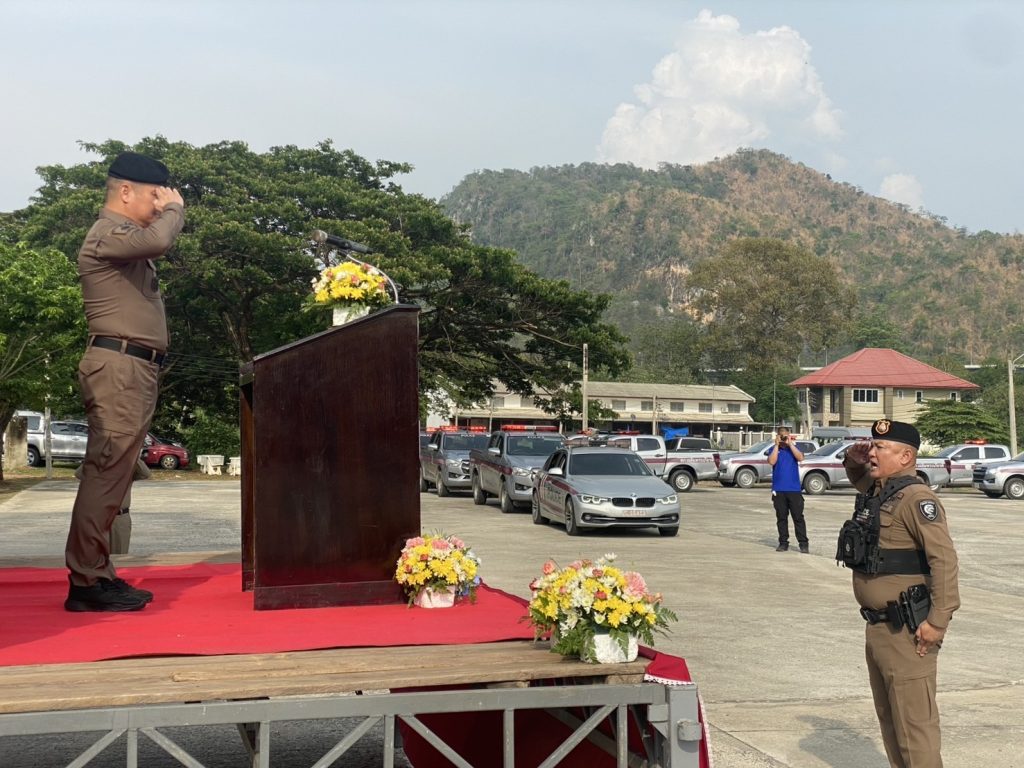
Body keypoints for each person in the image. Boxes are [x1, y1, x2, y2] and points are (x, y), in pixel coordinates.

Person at [64, 151, 185, 612]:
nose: (160, 206)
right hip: (118, 368)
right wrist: (176, 209)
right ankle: (87, 582)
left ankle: (98, 573)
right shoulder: (106, 234)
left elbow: (152, 240)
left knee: (115, 476)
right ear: (126, 191)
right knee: (106, 473)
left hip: (132, 368)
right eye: (155, 197)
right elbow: (159, 240)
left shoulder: (126, 240)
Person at [840, 419, 960, 768]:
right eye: (873, 446)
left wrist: (937, 622)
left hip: (908, 631)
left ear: (906, 456)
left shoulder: (917, 498)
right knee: (891, 723)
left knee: (915, 729)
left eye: (881, 448)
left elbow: (944, 560)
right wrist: (853, 458)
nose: (873, 453)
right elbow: (859, 478)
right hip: (878, 628)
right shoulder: (883, 491)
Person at [74, 458, 151, 554]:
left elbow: (145, 474)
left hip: (120, 518)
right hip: (99, 518)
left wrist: (133, 454)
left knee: (119, 555)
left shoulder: (127, 469)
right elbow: (79, 474)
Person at [767, 426, 808, 553]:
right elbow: (772, 461)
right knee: (781, 518)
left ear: (789, 435)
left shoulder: (793, 448)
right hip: (779, 490)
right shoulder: (773, 449)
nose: (783, 438)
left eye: (785, 435)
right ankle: (783, 543)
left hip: (794, 490)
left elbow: (800, 458)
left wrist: (790, 444)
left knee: (798, 517)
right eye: (781, 436)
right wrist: (776, 445)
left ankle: (803, 544)